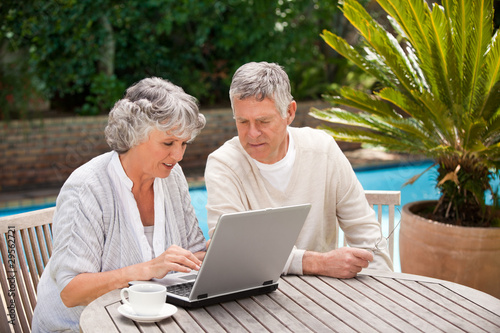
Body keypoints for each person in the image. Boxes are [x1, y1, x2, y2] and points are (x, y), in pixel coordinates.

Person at [32, 77, 207, 332]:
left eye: (184, 144)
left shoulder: (172, 176)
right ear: (134, 134)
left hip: (144, 323)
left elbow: (193, 253)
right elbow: (71, 292)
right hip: (79, 327)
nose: (178, 155)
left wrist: (216, 254)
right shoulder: (87, 188)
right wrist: (148, 269)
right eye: (168, 143)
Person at [204, 62, 393, 279]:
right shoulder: (223, 164)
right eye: (242, 121)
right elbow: (230, 252)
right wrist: (316, 263)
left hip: (327, 296)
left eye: (263, 121)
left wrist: (385, 293)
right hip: (254, 301)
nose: (252, 133)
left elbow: (367, 237)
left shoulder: (323, 150)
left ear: (290, 112)